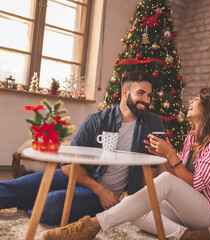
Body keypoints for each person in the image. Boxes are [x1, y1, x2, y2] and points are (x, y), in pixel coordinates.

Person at [43, 88, 210, 240]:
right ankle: (189, 236)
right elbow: (176, 178)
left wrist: (171, 154)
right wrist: (163, 157)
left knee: (155, 188)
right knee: (133, 206)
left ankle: (91, 227)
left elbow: (194, 185)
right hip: (190, 211)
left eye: (197, 98)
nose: (191, 100)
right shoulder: (191, 138)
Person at [0, 71, 164, 225]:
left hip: (104, 193)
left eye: (149, 95)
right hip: (77, 177)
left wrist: (131, 205)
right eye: (141, 93)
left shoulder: (153, 123)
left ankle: (30, 203)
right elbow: (68, 165)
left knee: (52, 204)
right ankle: (28, 200)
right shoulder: (96, 120)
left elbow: (150, 171)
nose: (147, 100)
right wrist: (100, 190)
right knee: (15, 186)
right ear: (125, 93)